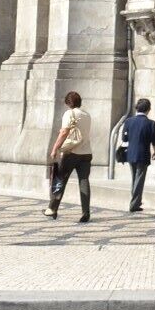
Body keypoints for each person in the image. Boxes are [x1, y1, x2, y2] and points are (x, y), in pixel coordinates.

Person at [45, 90, 93, 223]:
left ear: (68, 102)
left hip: (71, 153)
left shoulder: (69, 113)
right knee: (84, 181)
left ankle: (52, 208)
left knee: (60, 179)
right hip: (86, 153)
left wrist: (55, 148)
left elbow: (64, 132)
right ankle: (86, 212)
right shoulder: (87, 115)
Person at [121, 96, 155, 214]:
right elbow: (154, 140)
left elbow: (124, 137)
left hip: (131, 153)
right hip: (143, 153)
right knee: (139, 179)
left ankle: (136, 201)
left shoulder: (128, 121)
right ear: (148, 109)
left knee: (135, 178)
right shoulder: (151, 123)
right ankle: (134, 203)